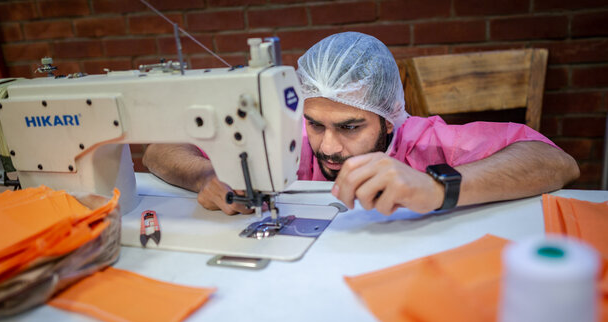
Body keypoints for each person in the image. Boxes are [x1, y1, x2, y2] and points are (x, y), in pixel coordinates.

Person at [143, 32, 579, 216]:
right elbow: (158, 150)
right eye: (315, 124)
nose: (327, 147)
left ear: (388, 119)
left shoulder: (425, 142)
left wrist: (437, 186)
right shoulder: (286, 136)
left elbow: (556, 162)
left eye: (351, 127)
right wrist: (205, 175)